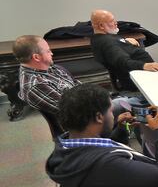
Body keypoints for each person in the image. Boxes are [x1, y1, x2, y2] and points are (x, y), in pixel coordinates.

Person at [45, 84, 158, 187]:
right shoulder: (104, 165)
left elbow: (104, 150)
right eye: (110, 110)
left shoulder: (67, 146)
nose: (113, 115)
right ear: (99, 117)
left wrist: (120, 130)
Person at [13, 34, 144, 143]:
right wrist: (105, 102)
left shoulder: (48, 68)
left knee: (135, 101)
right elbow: (74, 112)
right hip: (85, 122)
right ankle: (143, 148)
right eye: (47, 51)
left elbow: (79, 85)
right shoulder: (35, 86)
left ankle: (131, 133)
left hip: (90, 106)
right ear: (36, 57)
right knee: (139, 106)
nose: (51, 53)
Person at [90, 9, 158, 92]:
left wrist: (125, 41)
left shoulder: (99, 37)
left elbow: (115, 48)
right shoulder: (108, 43)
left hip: (144, 77)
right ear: (101, 26)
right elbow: (123, 62)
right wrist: (144, 65)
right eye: (112, 21)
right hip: (140, 82)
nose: (116, 22)